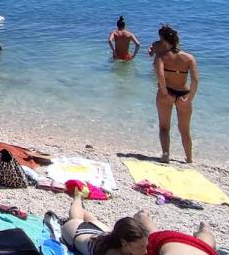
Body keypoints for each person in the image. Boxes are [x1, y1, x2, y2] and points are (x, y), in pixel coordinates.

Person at [154, 25, 198, 163]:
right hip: (183, 94)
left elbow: (160, 75)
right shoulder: (189, 58)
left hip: (166, 93)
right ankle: (189, 159)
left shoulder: (161, 56)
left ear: (163, 40)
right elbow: (195, 81)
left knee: (164, 127)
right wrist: (190, 98)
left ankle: (166, 155)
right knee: (185, 130)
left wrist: (165, 92)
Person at [60, 190, 151, 255]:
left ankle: (82, 207)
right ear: (124, 242)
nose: (145, 251)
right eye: (141, 247)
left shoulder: (123, 243)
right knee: (75, 218)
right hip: (77, 233)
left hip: (99, 233)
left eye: (145, 246)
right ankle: (77, 196)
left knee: (92, 220)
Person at [146, 223, 219, 255]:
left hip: (204, 251)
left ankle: (205, 230)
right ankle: (143, 216)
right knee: (152, 232)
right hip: (169, 242)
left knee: (205, 244)